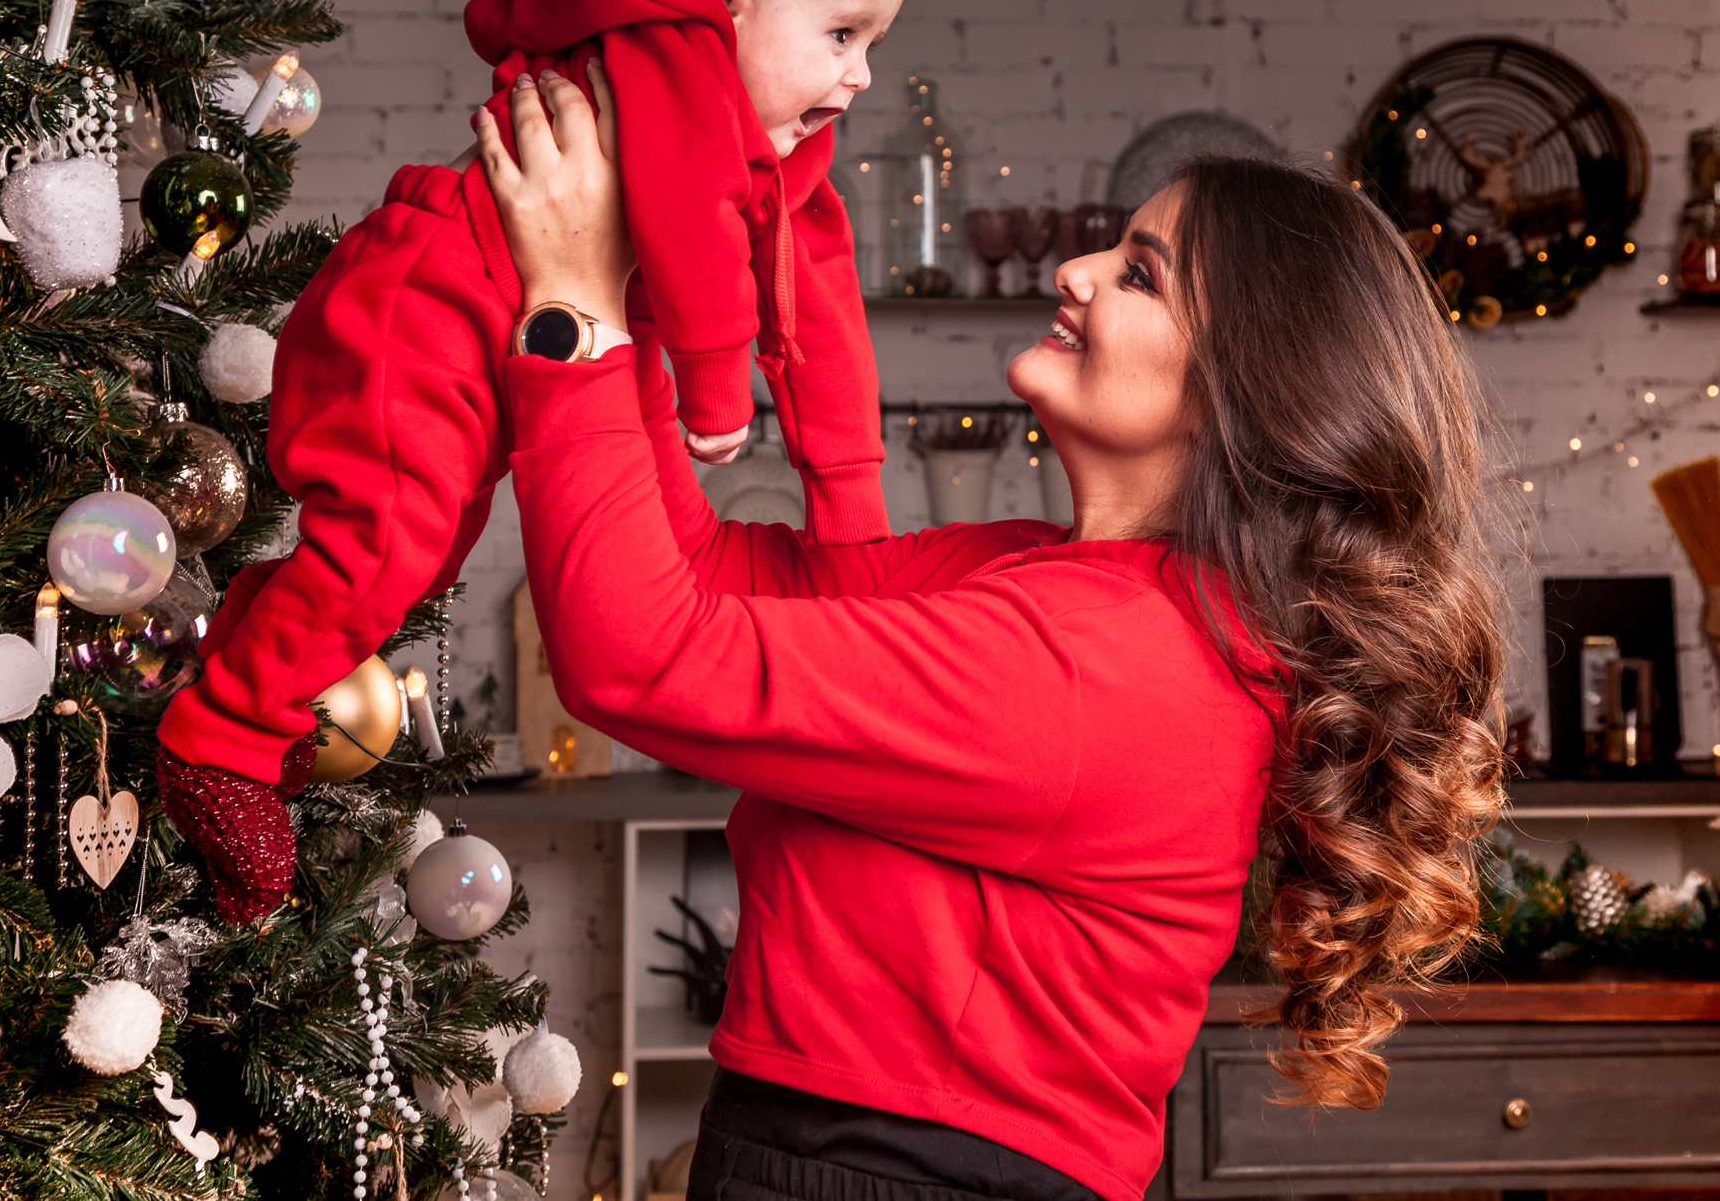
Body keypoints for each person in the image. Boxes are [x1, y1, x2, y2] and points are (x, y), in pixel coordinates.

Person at [475, 71, 1504, 1201]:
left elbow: (638, 657)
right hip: (840, 1152)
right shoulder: (1041, 578)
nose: (1073, 273)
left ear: (1236, 393)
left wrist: (568, 312)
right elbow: (707, 581)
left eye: (1139, 276)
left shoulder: (1101, 662)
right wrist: (616, 303)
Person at [157, 0, 944, 921]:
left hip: (514, 326)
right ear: (722, 4)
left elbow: (820, 299)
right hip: (430, 303)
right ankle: (220, 743)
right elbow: (674, 220)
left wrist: (851, 518)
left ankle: (256, 660)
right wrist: (719, 390)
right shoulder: (659, 67)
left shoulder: (774, 142)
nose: (860, 75)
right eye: (842, 34)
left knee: (413, 561)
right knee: (386, 546)